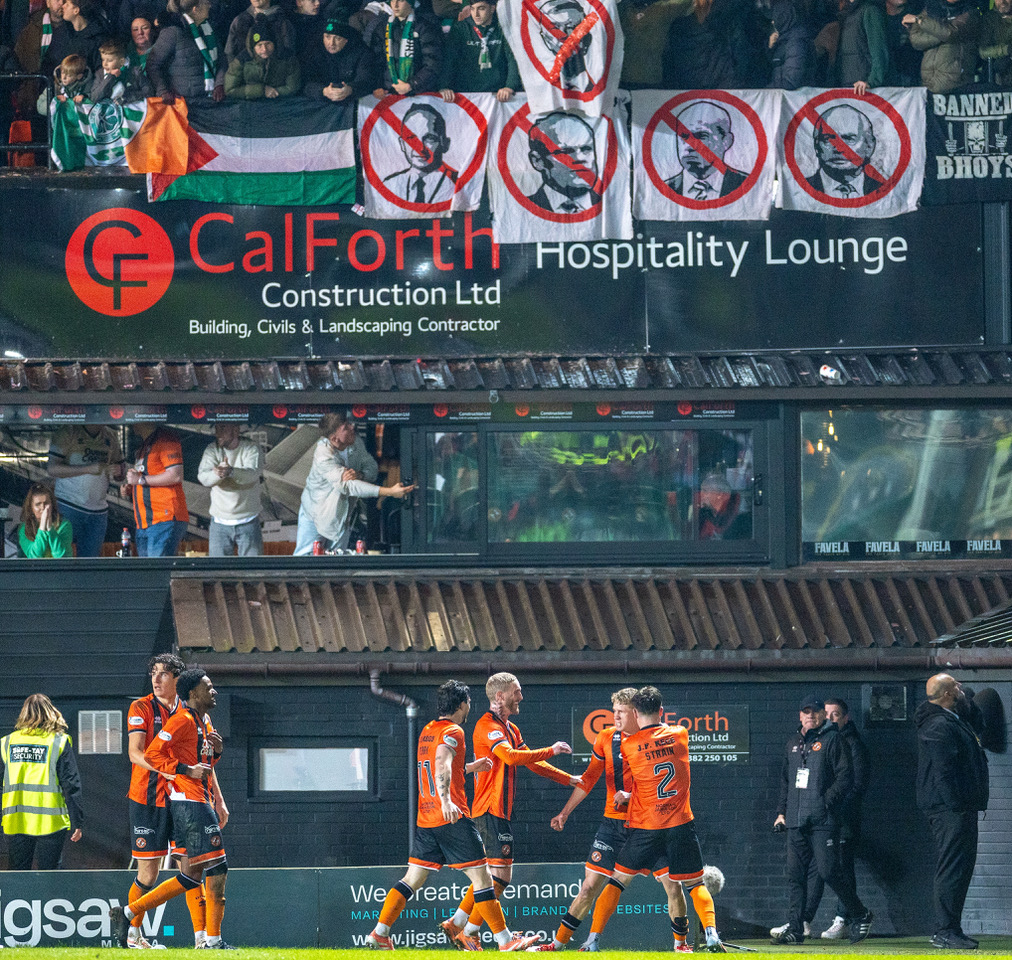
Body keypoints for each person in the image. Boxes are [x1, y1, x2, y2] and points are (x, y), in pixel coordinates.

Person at [365, 681, 541, 952]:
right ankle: (505, 940)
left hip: (426, 819)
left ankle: (380, 933)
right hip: (451, 817)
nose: (470, 707)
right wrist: (446, 800)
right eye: (468, 702)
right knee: (484, 879)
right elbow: (441, 762)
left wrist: (469, 767)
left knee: (412, 880)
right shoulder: (454, 730)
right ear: (461, 704)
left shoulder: (428, 730)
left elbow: (439, 766)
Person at [537, 688, 692, 953]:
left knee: (673, 886)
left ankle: (681, 944)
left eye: (621, 712)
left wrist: (633, 796)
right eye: (614, 711)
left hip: (649, 825)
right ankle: (558, 944)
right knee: (589, 887)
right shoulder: (606, 738)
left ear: (636, 713)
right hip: (613, 825)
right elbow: (589, 778)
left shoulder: (659, 738)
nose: (616, 717)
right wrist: (565, 812)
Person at [578, 686, 725, 954]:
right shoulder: (680, 734)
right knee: (694, 884)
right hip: (680, 824)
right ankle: (712, 936)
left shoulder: (629, 745)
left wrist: (627, 795)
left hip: (646, 827)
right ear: (661, 711)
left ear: (635, 713)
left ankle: (593, 940)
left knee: (617, 882)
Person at [440, 672, 579, 950]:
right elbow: (511, 757)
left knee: (492, 877)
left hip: (497, 811)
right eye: (517, 692)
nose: (521, 697)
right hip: (489, 808)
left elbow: (530, 762)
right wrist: (551, 750)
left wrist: (568, 779)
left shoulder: (511, 729)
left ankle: (460, 925)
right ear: (500, 696)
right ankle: (470, 930)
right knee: (499, 878)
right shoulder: (487, 725)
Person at [110, 668, 233, 950]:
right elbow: (150, 753)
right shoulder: (177, 718)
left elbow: (204, 764)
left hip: (192, 800)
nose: (213, 691)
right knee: (212, 867)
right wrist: (183, 770)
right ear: (192, 692)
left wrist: (216, 753)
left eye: (163, 674)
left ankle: (129, 914)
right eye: (208, 687)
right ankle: (211, 940)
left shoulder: (203, 720)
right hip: (178, 801)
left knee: (191, 874)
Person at [771, 695, 873, 946]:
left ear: (822, 715)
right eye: (805, 712)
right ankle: (796, 929)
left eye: (815, 712)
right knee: (796, 876)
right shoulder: (793, 743)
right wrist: (782, 812)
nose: (810, 716)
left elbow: (845, 777)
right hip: (795, 820)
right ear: (800, 715)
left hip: (823, 821)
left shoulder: (833, 739)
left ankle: (860, 913)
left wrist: (825, 802)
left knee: (828, 871)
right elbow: (786, 781)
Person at [915, 674, 989, 950]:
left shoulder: (952, 719)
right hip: (950, 809)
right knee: (953, 868)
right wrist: (956, 804)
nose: (961, 689)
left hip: (957, 807)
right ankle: (945, 931)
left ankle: (951, 929)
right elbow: (944, 771)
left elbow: (978, 723)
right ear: (947, 694)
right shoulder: (938, 725)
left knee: (960, 868)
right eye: (956, 687)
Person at [294, 412, 414, 555]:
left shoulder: (355, 443)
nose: (352, 427)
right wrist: (389, 491)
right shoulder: (323, 454)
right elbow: (348, 486)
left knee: (337, 560)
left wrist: (359, 474)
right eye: (346, 427)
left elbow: (372, 468)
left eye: (349, 424)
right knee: (306, 557)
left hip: (341, 516)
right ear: (334, 438)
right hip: (315, 514)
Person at [0, 693, 83, 869]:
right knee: (49, 877)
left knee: (17, 875)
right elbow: (71, 784)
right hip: (51, 823)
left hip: (16, 820)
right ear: (50, 712)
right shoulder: (58, 741)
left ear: (24, 714)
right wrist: (77, 820)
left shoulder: (7, 742)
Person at [120, 424, 189, 558]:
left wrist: (140, 480)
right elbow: (145, 477)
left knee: (158, 569)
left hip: (164, 518)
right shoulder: (144, 445)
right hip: (145, 522)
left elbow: (176, 475)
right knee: (148, 570)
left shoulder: (166, 440)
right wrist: (131, 488)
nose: (131, 423)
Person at [197, 424, 263, 557]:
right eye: (216, 429)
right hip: (219, 523)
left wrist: (231, 472)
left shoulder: (251, 447)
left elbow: (252, 475)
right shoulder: (212, 449)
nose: (218, 433)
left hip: (248, 521)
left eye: (223, 428)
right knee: (218, 568)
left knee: (252, 568)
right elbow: (203, 478)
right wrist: (218, 474)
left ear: (236, 430)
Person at [437, 0, 519, 103]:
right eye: (472, 9)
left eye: (481, 9)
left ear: (492, 8)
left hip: (497, 94)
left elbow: (513, 59)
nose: (476, 14)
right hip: (466, 94)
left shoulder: (503, 27)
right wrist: (444, 86)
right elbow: (450, 59)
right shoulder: (460, 28)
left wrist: (510, 86)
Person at [146, 0, 226, 103]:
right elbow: (153, 64)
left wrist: (219, 83)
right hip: (183, 102)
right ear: (195, 9)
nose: (210, 6)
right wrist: (163, 91)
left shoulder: (208, 30)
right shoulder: (173, 32)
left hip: (209, 98)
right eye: (206, 3)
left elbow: (221, 59)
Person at [665, 101, 748, 200]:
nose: (689, 146)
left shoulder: (748, 185)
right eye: (683, 137)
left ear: (726, 141)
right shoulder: (663, 189)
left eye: (701, 136)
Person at [381, 101, 458, 204]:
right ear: (402, 144)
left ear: (445, 144)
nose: (420, 148)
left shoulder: (458, 183)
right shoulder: (389, 185)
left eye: (429, 139)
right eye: (411, 138)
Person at [527, 111, 601, 213]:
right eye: (565, 152)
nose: (580, 158)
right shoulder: (521, 210)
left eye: (586, 149)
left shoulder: (612, 205)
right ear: (537, 161)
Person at [903, 0, 980, 93]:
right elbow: (916, 41)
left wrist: (919, 20)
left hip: (955, 81)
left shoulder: (971, 11)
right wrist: (941, 34)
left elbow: (950, 33)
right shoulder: (930, 8)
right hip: (928, 79)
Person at [806, 104, 881, 198]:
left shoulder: (884, 190)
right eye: (828, 139)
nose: (839, 148)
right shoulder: (797, 189)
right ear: (817, 146)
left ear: (869, 146)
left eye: (849, 139)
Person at [371, 0, 443, 97]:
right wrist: (378, 86)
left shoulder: (424, 27)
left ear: (410, 3)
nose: (395, 5)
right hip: (388, 92)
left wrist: (412, 84)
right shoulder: (382, 28)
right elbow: (376, 62)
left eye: (401, 1)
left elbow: (433, 62)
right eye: (393, 0)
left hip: (419, 93)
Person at [302, 18, 379, 101]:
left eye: (337, 38)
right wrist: (323, 91)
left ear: (346, 40)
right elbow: (305, 82)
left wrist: (350, 89)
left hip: (351, 100)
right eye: (327, 37)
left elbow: (366, 81)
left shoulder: (362, 53)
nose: (331, 43)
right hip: (319, 99)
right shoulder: (314, 50)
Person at [225, 17, 301, 96]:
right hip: (250, 101)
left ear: (275, 43)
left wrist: (274, 92)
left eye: (268, 44)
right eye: (259, 45)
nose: (264, 49)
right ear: (253, 47)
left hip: (281, 100)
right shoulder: (242, 60)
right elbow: (230, 89)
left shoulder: (287, 58)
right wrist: (261, 91)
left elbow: (293, 87)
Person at [536, 0, 593, 92]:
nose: (564, 35)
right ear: (544, 37)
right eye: (556, 28)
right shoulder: (536, 83)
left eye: (572, 27)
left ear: (587, 37)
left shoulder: (601, 80)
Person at [834, 0, 889, 94]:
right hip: (848, 84)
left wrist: (872, 81)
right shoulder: (847, 13)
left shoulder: (870, 11)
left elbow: (879, 51)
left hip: (863, 87)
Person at [765, 0, 815, 89]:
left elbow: (791, 81)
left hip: (793, 97)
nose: (773, 22)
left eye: (776, 16)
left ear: (783, 17)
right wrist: (770, 48)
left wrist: (764, 92)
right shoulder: (783, 40)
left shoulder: (797, 42)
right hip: (779, 94)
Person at [225, 0, 296, 62]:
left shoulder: (282, 21)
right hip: (245, 71)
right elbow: (230, 52)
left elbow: (289, 53)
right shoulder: (240, 21)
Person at [18, 482, 73, 558]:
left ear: (52, 504)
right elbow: (34, 557)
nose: (43, 508)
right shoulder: (24, 528)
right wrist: (42, 528)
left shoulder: (64, 525)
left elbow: (62, 556)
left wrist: (50, 529)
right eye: (38, 504)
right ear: (31, 508)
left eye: (46, 503)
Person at [978, 0, 1012, 84]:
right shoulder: (989, 18)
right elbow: (983, 51)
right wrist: (1007, 49)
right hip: (999, 79)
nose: (1002, 2)